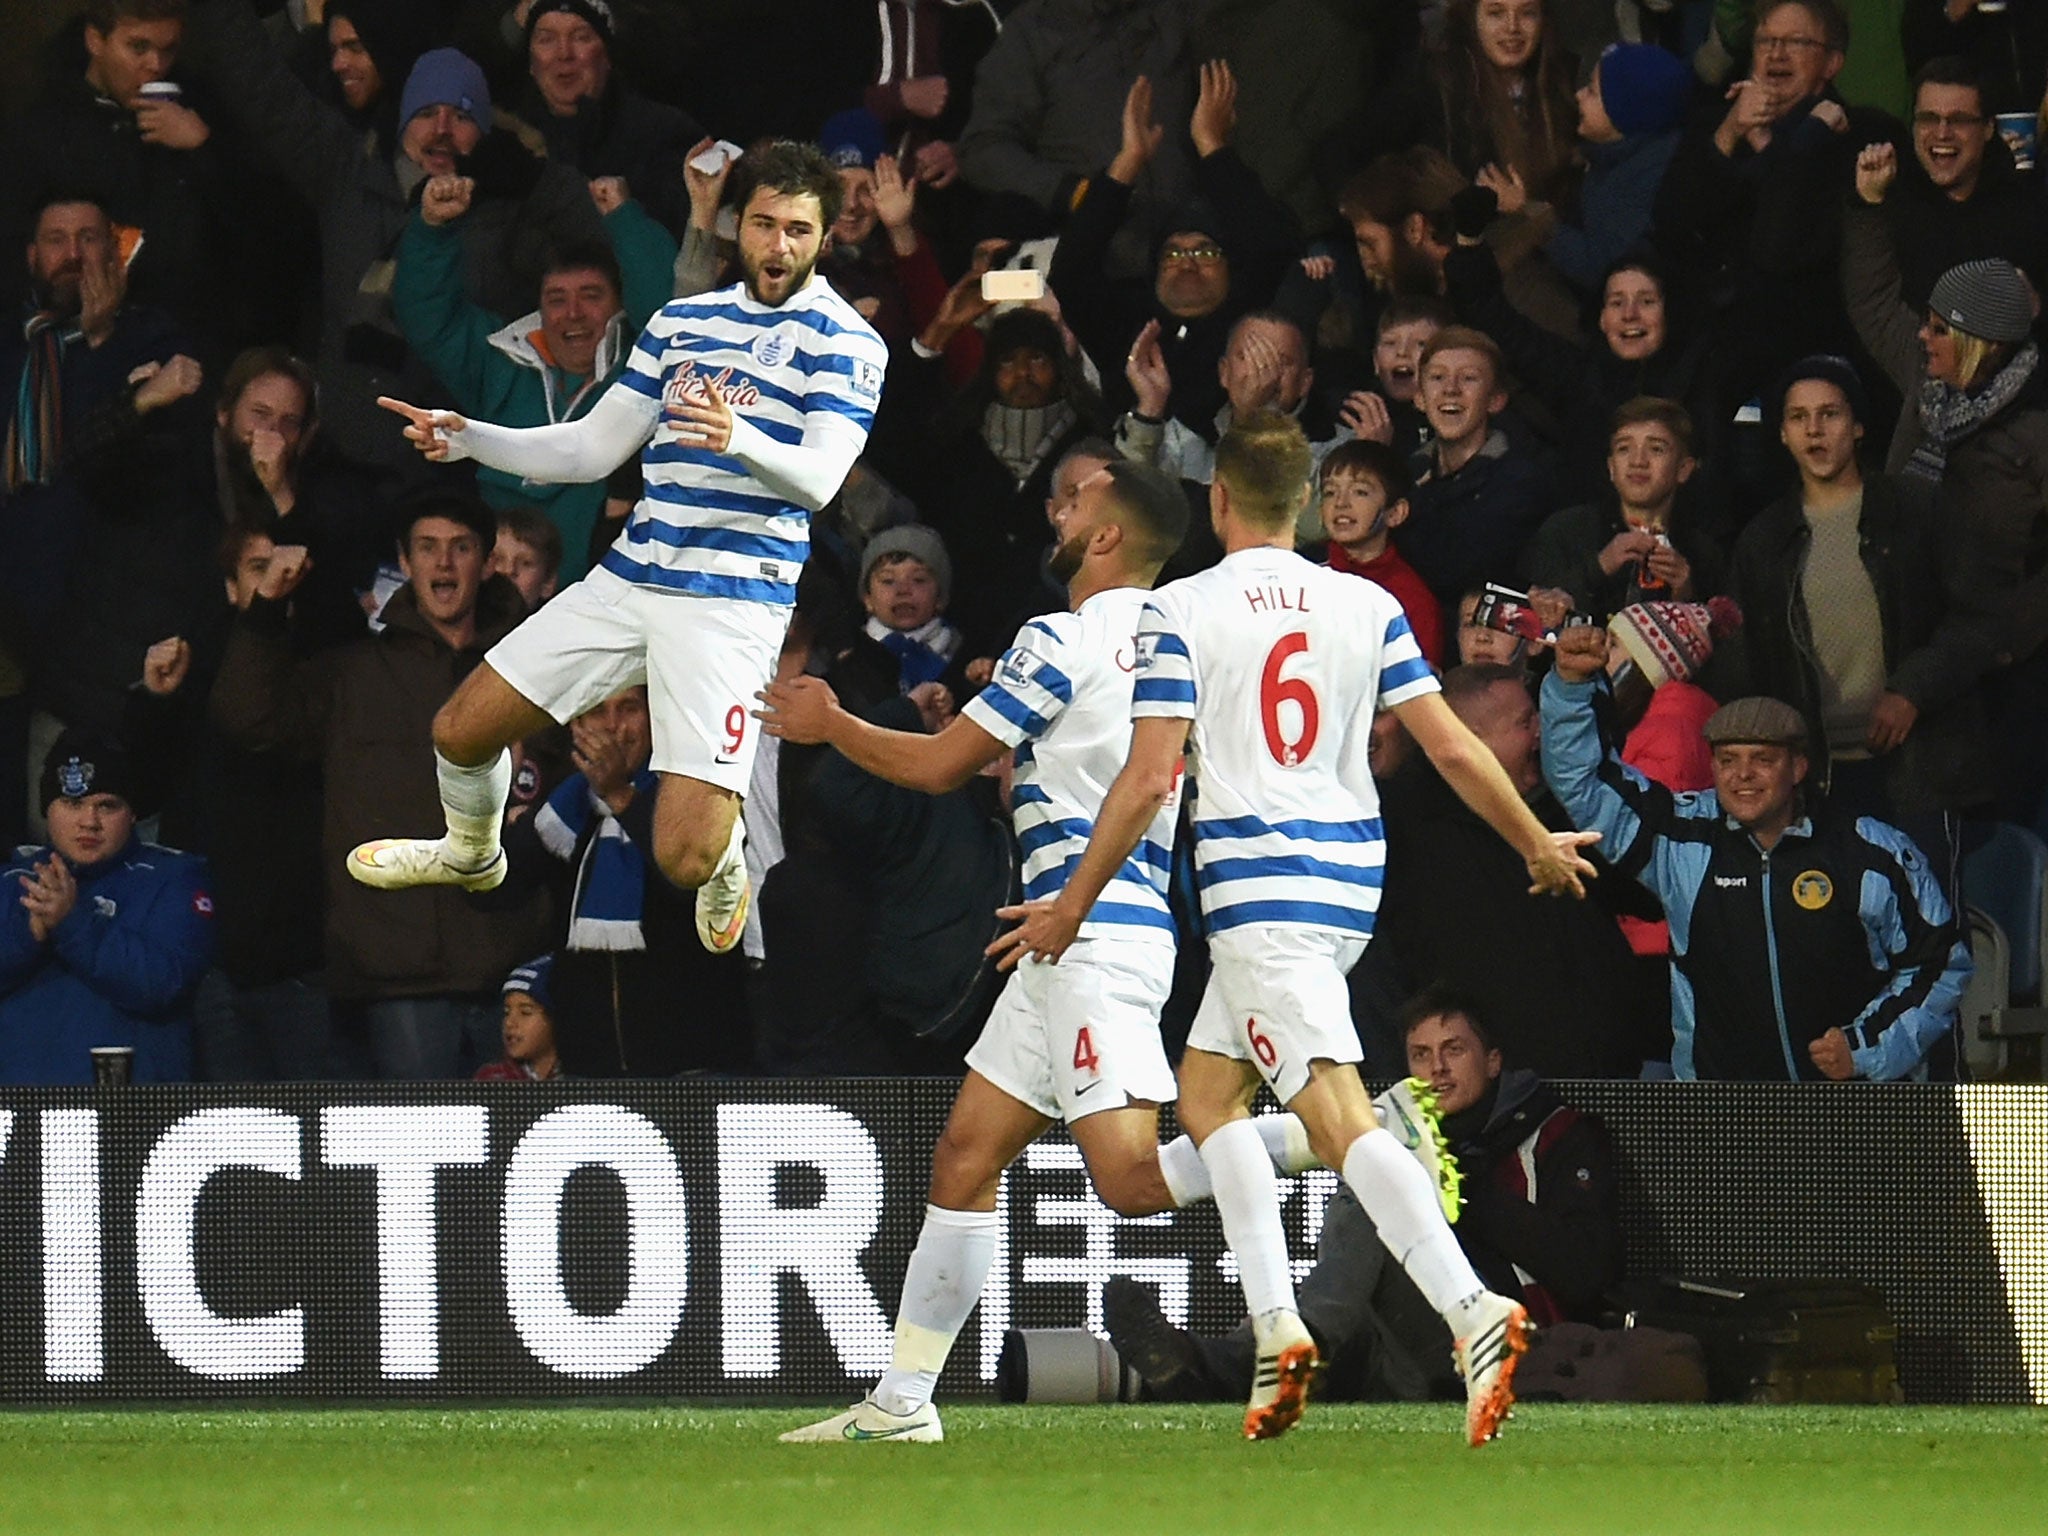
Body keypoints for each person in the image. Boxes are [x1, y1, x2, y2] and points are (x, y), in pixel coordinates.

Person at [991, 411, 1599, 1444]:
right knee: (1207, 1103)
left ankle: (1470, 1310)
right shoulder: (1365, 604)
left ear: (1216, 499)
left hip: (1260, 892)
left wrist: (1071, 902)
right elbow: (1447, 745)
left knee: (1336, 1121)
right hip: (1340, 887)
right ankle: (1278, 1332)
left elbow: (1147, 779)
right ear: (1308, 505)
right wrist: (1532, 837)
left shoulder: (1180, 609)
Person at [767, 455, 1337, 1445]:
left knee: (1126, 1180)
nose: (1057, 511)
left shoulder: (1059, 637)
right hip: (1081, 937)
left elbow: (941, 767)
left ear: (1107, 536)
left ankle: (1345, 1131)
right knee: (964, 1155)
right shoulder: (1183, 647)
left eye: (1074, 501)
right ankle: (902, 1403)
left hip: (1085, 938)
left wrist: (833, 722)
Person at [359, 142, 888, 963]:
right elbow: (588, 449)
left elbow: (820, 480)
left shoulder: (847, 341)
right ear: (734, 225)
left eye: (797, 229)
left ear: (824, 238)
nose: (777, 246)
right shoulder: (683, 323)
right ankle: (471, 850)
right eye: (762, 224)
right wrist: (471, 440)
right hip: (632, 578)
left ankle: (722, 859)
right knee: (459, 732)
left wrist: (740, 436)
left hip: (732, 608)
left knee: (679, 857)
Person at [1105, 993, 1622, 1404]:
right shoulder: (1399, 1127)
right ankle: (1217, 1364)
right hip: (1394, 1347)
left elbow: (1581, 1272)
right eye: (1422, 1054)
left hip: (1515, 1341)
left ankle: (1283, 1347)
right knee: (1377, 1167)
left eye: (1454, 1050)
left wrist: (1463, 1190)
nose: (1437, 1068)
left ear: (1492, 1061)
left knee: (1376, 1166)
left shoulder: (1557, 1133)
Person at [210, 489, 544, 1079]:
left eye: (460, 547)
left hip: (514, 968)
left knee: (519, 1166)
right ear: (405, 560)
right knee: (426, 1164)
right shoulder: (354, 673)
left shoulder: (531, 667)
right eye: (428, 547)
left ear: (486, 560)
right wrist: (264, 613)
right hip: (399, 976)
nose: (443, 563)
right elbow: (249, 717)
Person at [1542, 629, 1974, 1081]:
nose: (1742, 775)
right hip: (1727, 1119)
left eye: (1763, 759)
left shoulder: (1869, 853)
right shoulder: (1678, 838)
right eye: (1727, 760)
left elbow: (1940, 963)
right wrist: (1571, 685)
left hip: (1853, 1111)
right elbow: (1584, 781)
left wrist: (1866, 1046)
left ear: (1799, 768)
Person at [1722, 356, 1994, 831]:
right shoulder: (1762, 541)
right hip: (1816, 779)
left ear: (1859, 425)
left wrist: (1912, 690)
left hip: (1918, 769)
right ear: (1782, 433)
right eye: (1798, 417)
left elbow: (1975, 620)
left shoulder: (1915, 511)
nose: (1814, 431)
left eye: (1829, 414)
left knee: (1924, 903)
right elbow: (1746, 664)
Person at [1358, 664, 1658, 1079]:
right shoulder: (1402, 824)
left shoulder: (1558, 807)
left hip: (1607, 1071)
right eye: (1524, 722)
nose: (1540, 731)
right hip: (1488, 1091)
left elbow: (1645, 895)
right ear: (1471, 742)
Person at [392, 170, 677, 581]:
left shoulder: (641, 370)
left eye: (591, 296)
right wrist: (433, 230)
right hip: (498, 601)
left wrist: (623, 218)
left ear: (620, 307)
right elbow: (428, 315)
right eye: (556, 299)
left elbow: (667, 311)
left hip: (603, 597)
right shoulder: (501, 364)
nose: (573, 313)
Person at [0, 733, 214, 1084]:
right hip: (20, 1116)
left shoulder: (175, 878)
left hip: (133, 1114)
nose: (89, 821)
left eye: (107, 805)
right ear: (46, 809)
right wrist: (27, 933)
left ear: (131, 813)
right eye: (73, 804)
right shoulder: (12, 881)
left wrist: (72, 924)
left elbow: (162, 984)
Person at [1397, 327, 1555, 647]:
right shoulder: (1402, 473)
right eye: (1438, 378)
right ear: (1419, 397)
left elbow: (1454, 570)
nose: (1451, 390)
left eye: (1468, 378)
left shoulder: (1522, 478)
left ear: (1496, 400)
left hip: (1487, 650)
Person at [1525, 397, 1724, 620]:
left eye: (1656, 449)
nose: (1638, 461)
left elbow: (1724, 638)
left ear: (1683, 469)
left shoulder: (1702, 553)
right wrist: (1600, 567)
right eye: (1624, 449)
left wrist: (1686, 600)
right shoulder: (1564, 532)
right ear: (1611, 467)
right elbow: (1528, 621)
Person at [1317, 440, 1442, 669]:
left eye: (1360, 492)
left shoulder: (1412, 598)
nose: (1341, 503)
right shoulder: (1303, 573)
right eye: (1330, 492)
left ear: (1396, 513)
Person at [473, 956, 562, 1081]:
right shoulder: (491, 1079)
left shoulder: (583, 1081)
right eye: (506, 1012)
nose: (509, 1023)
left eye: (525, 1012)